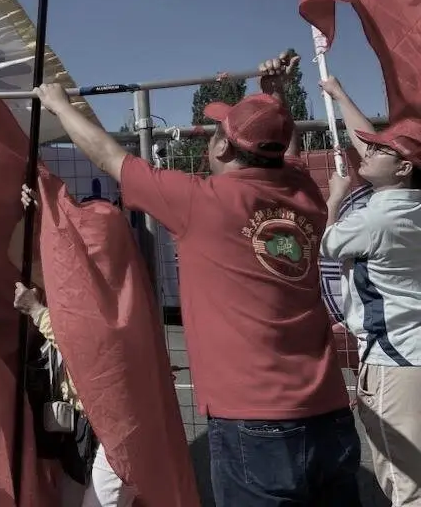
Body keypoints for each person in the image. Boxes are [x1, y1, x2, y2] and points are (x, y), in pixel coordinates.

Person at [33, 51, 361, 507]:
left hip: (253, 419)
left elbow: (111, 157)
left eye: (216, 131)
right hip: (328, 411)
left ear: (223, 148)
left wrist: (59, 104)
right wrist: (276, 100)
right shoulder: (305, 194)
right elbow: (286, 156)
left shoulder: (201, 203)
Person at [319, 76, 421, 506]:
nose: (370, 150)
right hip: (412, 353)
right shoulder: (409, 203)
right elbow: (372, 152)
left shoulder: (376, 220)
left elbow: (326, 245)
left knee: (404, 482)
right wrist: (341, 95)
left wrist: (335, 199)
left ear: (403, 168)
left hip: (392, 360)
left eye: (382, 149)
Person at [9, 201, 135, 507]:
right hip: (82, 417)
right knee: (72, 497)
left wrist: (37, 311)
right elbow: (22, 255)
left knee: (100, 503)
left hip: (117, 422)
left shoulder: (114, 285)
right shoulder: (80, 277)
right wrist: (34, 214)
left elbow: (84, 342)